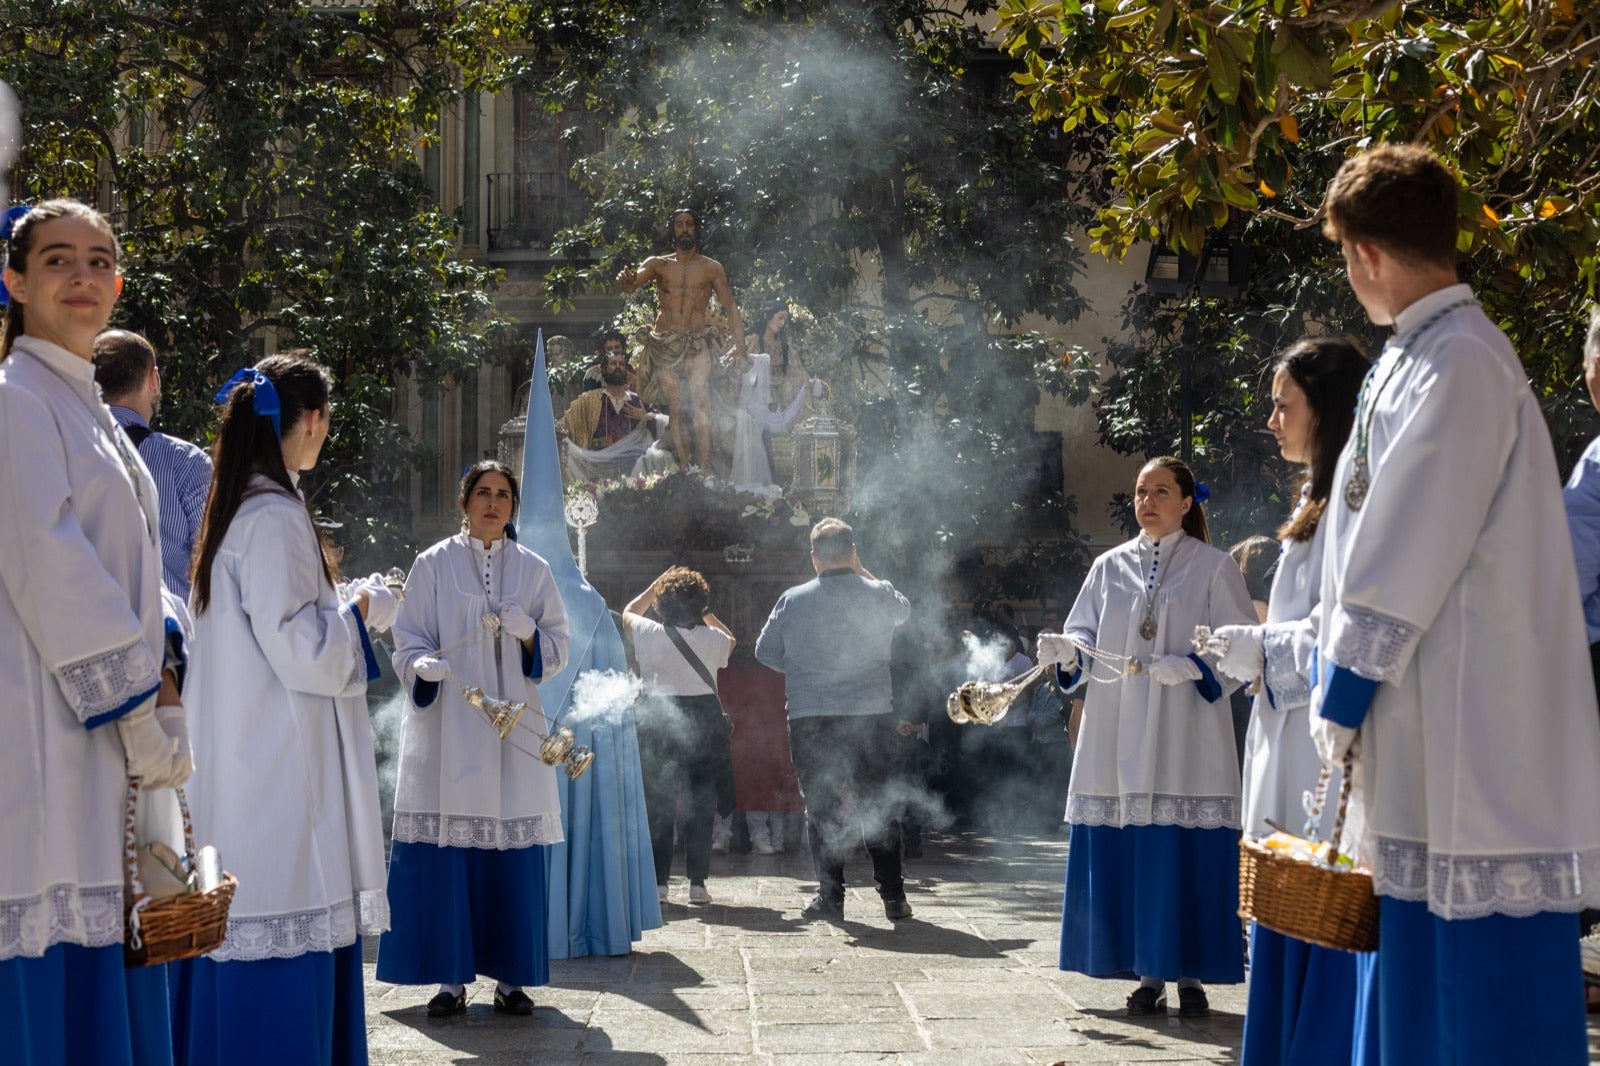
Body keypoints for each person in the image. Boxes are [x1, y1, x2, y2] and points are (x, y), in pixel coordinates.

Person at [1306, 143, 1600, 1066]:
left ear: (1366, 254)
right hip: (1428, 722)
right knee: (1417, 970)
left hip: (1472, 735)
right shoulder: (1418, 352)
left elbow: (1405, 545)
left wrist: (1342, 687)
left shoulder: (1463, 359)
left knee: (1470, 996)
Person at [0, 199, 192, 1066]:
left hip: (100, 735)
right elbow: (53, 563)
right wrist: (136, 712)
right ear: (14, 281)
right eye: (56, 261)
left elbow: (136, 572)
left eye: (100, 260)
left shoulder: (87, 411)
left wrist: (166, 668)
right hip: (43, 724)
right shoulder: (15, 402)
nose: (82, 276)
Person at [175, 351, 399, 1066]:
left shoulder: (240, 505)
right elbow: (304, 652)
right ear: (310, 420)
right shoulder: (273, 514)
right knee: (278, 932)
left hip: (244, 762)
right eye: (325, 418)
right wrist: (367, 610)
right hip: (276, 779)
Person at [1200, 337, 1370, 1066]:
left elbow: (1344, 626)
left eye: (1283, 404)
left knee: (1318, 903)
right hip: (1284, 728)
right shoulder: (1316, 495)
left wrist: (1261, 646)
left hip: (1318, 743)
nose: (1271, 419)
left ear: (1325, 408)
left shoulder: (1354, 499)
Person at [1035, 456, 1256, 1018]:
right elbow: (1083, 632)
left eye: (1161, 491)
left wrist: (1199, 667)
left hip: (1188, 731)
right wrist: (1066, 651)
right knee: (1136, 851)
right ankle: (1148, 973)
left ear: (1187, 502)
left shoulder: (1214, 566)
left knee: (1184, 855)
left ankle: (1191, 976)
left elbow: (1241, 643)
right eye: (1140, 492)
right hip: (1118, 725)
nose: (1147, 501)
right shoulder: (1107, 567)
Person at [379, 460, 570, 1018]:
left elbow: (557, 646)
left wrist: (531, 633)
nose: (493, 503)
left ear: (513, 506)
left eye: (503, 495)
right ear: (464, 503)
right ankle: (450, 979)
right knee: (449, 851)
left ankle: (511, 978)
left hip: (513, 731)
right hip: (450, 728)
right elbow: (405, 636)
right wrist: (421, 665)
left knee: (513, 848)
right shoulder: (432, 564)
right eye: (482, 493)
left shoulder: (534, 570)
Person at [755, 518, 914, 922]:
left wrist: (802, 668)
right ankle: (893, 896)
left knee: (821, 808)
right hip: (870, 714)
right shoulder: (878, 593)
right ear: (853, 552)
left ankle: (831, 897)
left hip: (812, 715)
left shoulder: (792, 600)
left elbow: (765, 652)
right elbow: (904, 612)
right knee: (877, 804)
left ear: (813, 558)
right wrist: (861, 571)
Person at [623, 566, 736, 906]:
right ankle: (697, 885)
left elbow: (629, 612)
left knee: (657, 804)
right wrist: (706, 613)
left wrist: (652, 587)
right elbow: (732, 640)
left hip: (659, 718)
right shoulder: (712, 640)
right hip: (703, 719)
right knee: (699, 804)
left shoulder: (647, 633)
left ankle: (659, 884)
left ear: (662, 604)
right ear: (700, 603)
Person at [616, 208, 748, 470]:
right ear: (673, 230)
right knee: (676, 407)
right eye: (679, 224)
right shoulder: (658, 264)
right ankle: (686, 469)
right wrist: (626, 279)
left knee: (701, 403)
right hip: (666, 344)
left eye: (689, 224)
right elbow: (634, 282)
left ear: (696, 229)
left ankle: (705, 467)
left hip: (697, 342)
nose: (684, 229)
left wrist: (741, 344)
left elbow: (730, 305)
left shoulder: (711, 268)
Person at [92, 329, 214, 599]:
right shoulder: (187, 463)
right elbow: (210, 571)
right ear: (154, 379)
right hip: (163, 635)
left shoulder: (60, 449)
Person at [558, 331, 671, 482]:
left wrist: (646, 417)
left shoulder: (640, 400)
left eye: (621, 364)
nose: (618, 367)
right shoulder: (588, 401)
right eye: (613, 364)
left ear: (626, 369)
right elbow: (563, 428)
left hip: (635, 472)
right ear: (603, 370)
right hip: (600, 471)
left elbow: (665, 425)